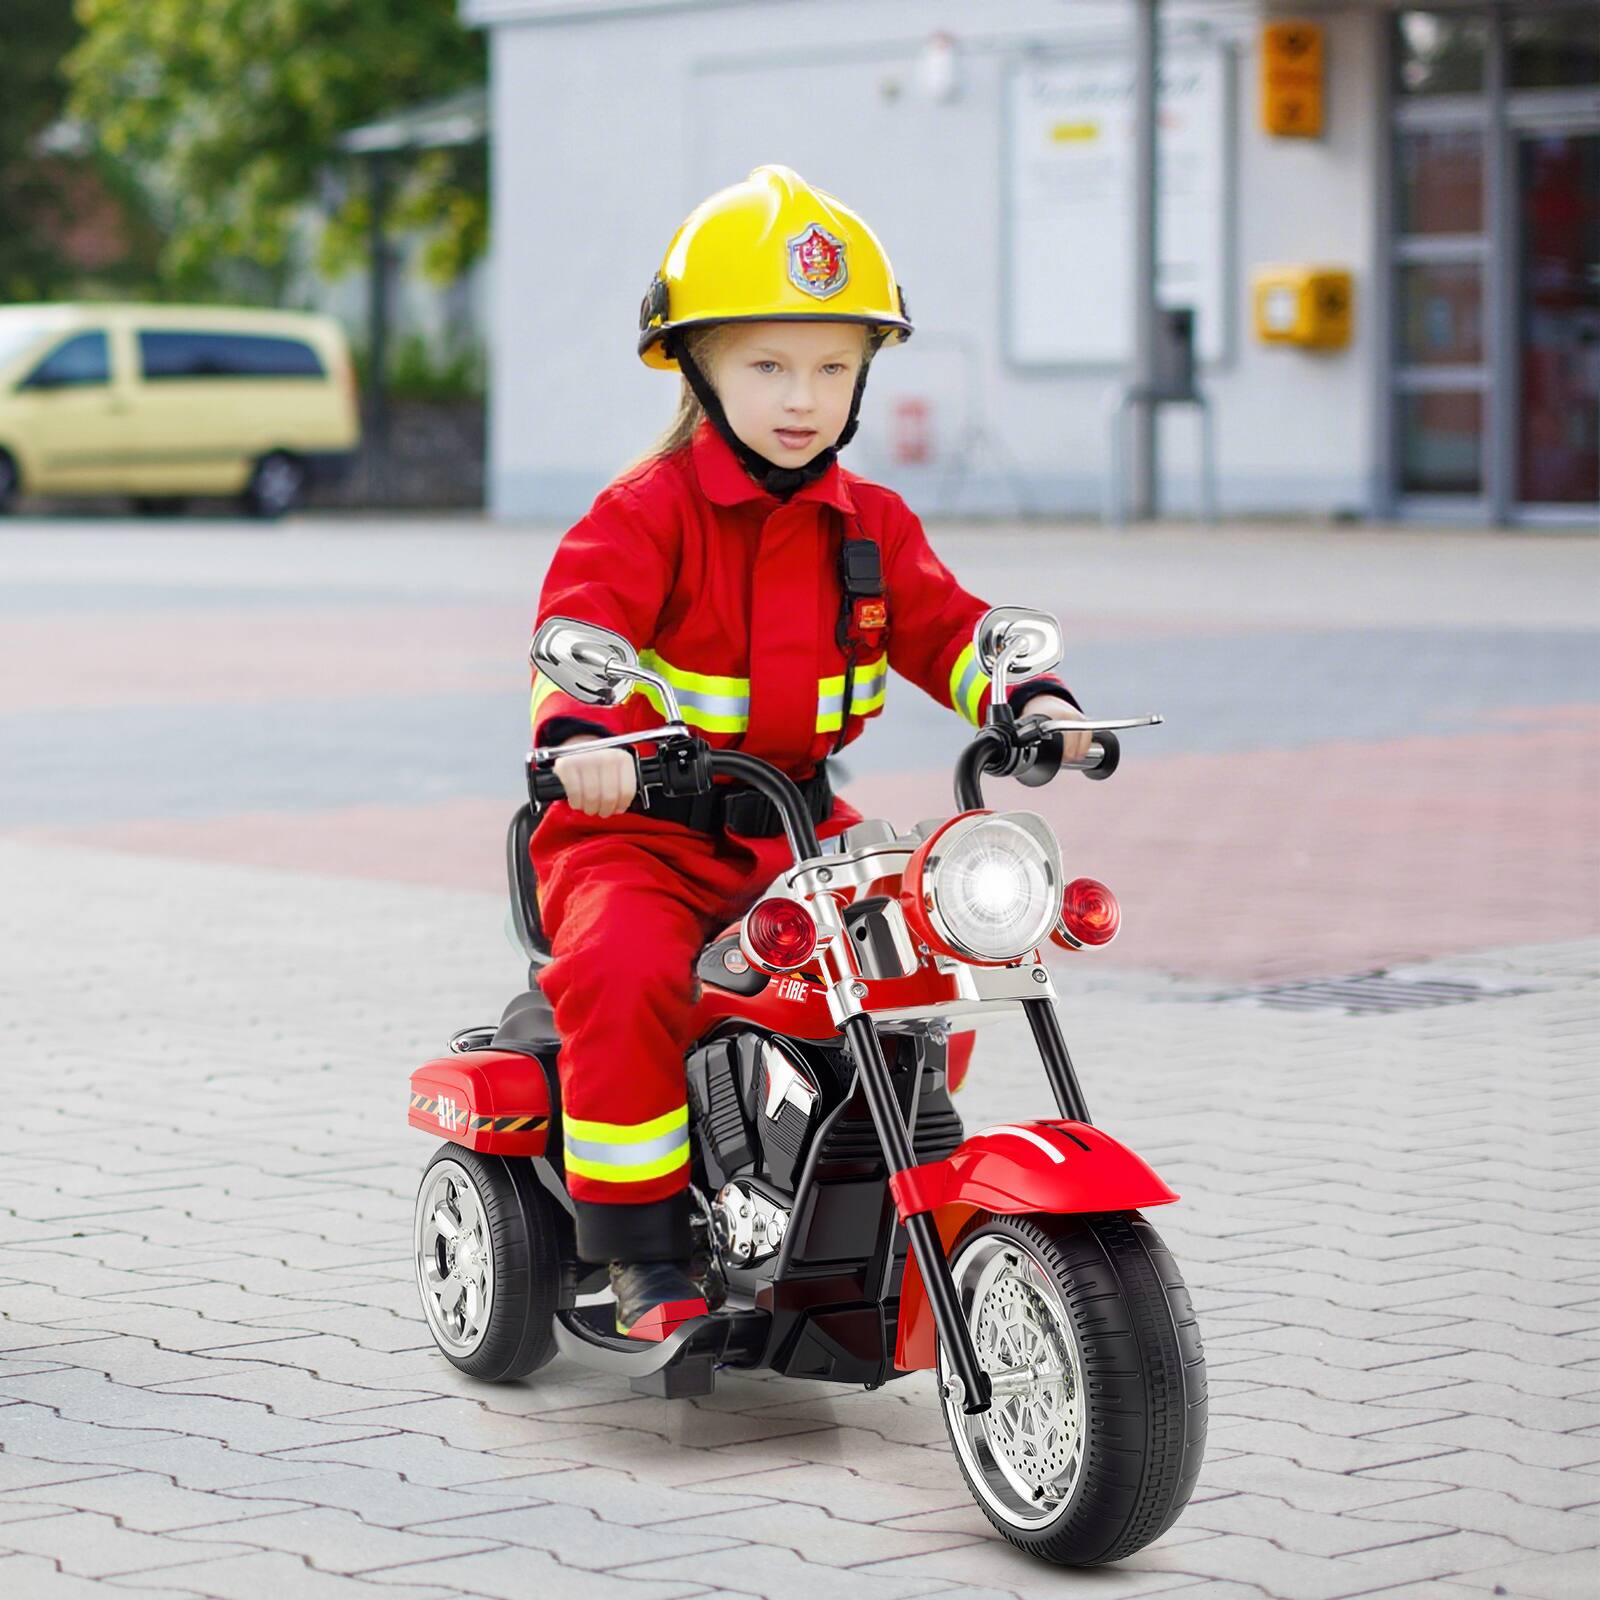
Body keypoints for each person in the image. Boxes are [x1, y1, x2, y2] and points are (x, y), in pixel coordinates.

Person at [528, 165, 1089, 1339]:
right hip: (635, 830)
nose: (803, 397)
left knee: (921, 961)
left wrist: (1028, 698)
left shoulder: (870, 524)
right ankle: (637, 1249)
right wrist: (588, 738)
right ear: (699, 369)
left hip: (798, 831)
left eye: (833, 367)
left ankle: (878, 1195)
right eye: (768, 365)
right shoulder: (645, 512)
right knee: (623, 973)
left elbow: (948, 628)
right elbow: (579, 631)